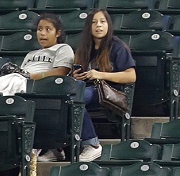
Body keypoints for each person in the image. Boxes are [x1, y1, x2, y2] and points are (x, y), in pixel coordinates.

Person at [0, 13, 74, 161]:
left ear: (57, 33)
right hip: (22, 81)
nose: (42, 33)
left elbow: (61, 72)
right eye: (40, 29)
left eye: (48, 29)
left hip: (42, 88)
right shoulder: (31, 54)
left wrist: (30, 76)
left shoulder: (63, 48)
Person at [66, 9, 136, 162]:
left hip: (109, 91)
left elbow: (131, 75)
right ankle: (58, 148)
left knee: (75, 98)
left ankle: (93, 145)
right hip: (87, 88)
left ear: (108, 25)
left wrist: (100, 74)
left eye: (102, 22)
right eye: (94, 22)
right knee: (65, 98)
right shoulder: (84, 48)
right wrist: (76, 76)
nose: (98, 25)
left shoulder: (117, 46)